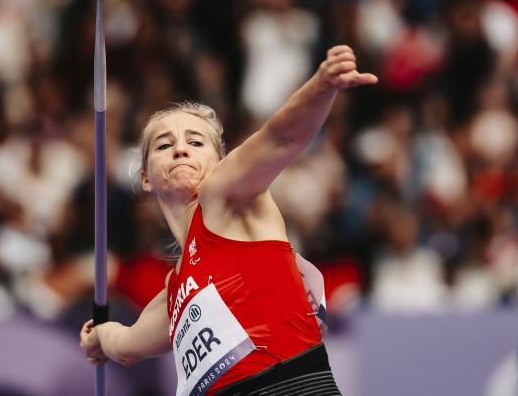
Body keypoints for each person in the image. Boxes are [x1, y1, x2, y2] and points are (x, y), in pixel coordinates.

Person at [80, 45, 377, 395]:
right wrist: (99, 336)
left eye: (195, 142)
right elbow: (128, 345)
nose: (179, 149)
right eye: (163, 145)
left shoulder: (225, 197)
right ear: (146, 177)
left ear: (221, 162)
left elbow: (282, 138)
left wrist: (322, 85)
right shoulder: (175, 293)